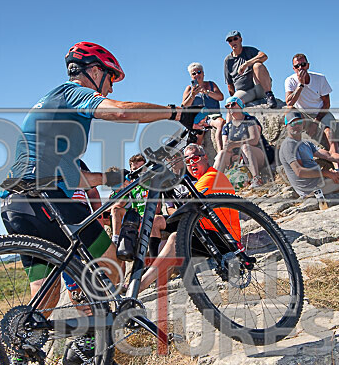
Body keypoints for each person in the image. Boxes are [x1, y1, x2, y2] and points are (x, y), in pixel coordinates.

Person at [1, 42, 180, 365]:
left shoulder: (56, 122)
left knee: (44, 295)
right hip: (45, 195)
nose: (111, 87)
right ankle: (84, 349)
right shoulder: (70, 92)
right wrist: (175, 113)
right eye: (110, 78)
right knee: (110, 268)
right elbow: (121, 113)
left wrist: (117, 179)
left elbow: (77, 178)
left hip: (17, 202)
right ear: (94, 70)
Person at [137, 144, 240, 293]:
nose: (192, 164)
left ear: (205, 157)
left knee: (174, 239)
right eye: (188, 161)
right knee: (158, 225)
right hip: (205, 232)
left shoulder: (211, 177)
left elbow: (189, 206)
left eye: (195, 158)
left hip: (224, 238)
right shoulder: (200, 180)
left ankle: (142, 284)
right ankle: (156, 274)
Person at [280, 111, 339, 200]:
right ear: (286, 126)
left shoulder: (306, 144)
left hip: (319, 180)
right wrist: (326, 173)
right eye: (292, 123)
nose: (296, 126)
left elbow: (330, 155)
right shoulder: (289, 144)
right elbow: (299, 171)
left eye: (299, 122)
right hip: (312, 188)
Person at [108, 155, 167, 257]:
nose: (139, 174)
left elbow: (156, 209)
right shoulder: (132, 187)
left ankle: (153, 259)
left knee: (152, 221)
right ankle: (116, 240)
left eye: (141, 170)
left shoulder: (153, 182)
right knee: (115, 209)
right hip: (138, 218)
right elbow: (120, 204)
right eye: (135, 170)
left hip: (151, 216)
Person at [284, 54, 337, 153]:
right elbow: (289, 103)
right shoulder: (290, 81)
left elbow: (326, 104)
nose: (300, 68)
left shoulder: (320, 79)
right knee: (288, 110)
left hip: (320, 112)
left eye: (303, 65)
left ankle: (336, 164)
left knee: (330, 135)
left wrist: (316, 122)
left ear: (308, 65)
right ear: (293, 68)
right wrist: (300, 85)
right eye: (297, 66)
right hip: (303, 113)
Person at [217, 97, 269, 187]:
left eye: (232, 104)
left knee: (245, 147)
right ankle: (214, 181)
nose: (230, 107)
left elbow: (254, 140)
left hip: (257, 155)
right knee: (222, 153)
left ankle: (256, 178)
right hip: (238, 160)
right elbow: (226, 146)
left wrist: (235, 144)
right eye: (227, 106)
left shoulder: (250, 120)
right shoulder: (227, 127)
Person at [223, 31, 277, 109]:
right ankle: (232, 120)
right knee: (230, 103)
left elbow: (264, 56)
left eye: (235, 39)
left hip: (259, 88)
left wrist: (247, 64)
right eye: (230, 40)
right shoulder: (228, 60)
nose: (233, 42)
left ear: (240, 40)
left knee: (257, 65)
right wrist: (235, 97)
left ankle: (270, 96)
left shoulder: (250, 50)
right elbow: (229, 83)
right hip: (244, 92)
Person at [182, 62, 225, 152]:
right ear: (191, 76)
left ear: (203, 73)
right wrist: (192, 95)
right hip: (199, 120)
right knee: (197, 140)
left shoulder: (211, 84)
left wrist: (206, 92)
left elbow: (220, 97)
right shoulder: (189, 89)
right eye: (194, 73)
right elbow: (184, 106)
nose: (197, 75)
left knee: (220, 123)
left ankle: (221, 152)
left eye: (199, 72)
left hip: (213, 116)